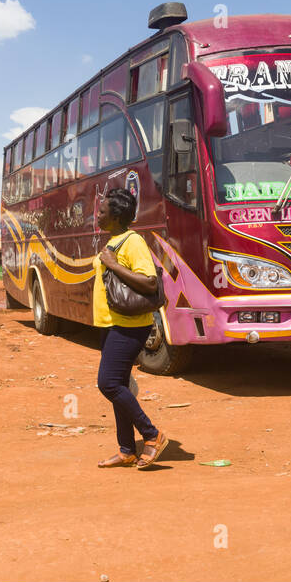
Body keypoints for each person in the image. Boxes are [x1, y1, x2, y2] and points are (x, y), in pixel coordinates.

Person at [93, 188, 170, 470]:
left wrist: (112, 264)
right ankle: (126, 449)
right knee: (120, 385)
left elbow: (150, 282)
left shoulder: (133, 242)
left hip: (128, 327)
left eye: (102, 212)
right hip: (110, 325)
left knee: (109, 384)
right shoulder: (115, 240)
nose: (97, 215)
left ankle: (152, 435)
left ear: (116, 216)